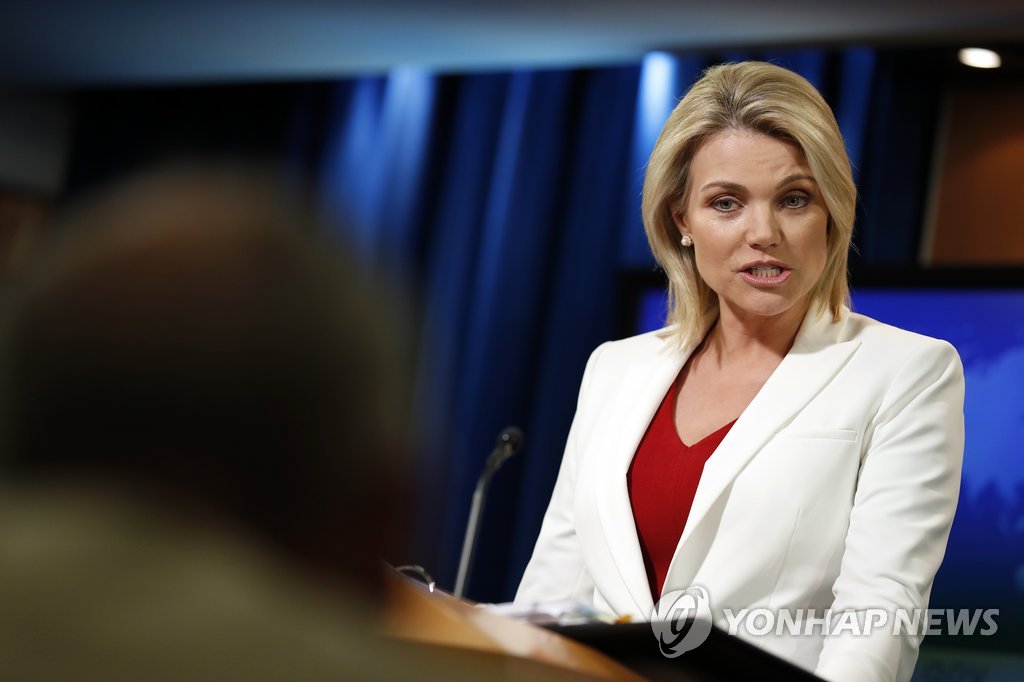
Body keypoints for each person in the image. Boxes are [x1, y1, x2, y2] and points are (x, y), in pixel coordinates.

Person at [515, 62, 965, 682]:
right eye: (726, 203)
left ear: (831, 212)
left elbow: (880, 610)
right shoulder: (614, 369)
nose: (764, 233)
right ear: (682, 219)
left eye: (794, 200)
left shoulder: (908, 371)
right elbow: (554, 591)